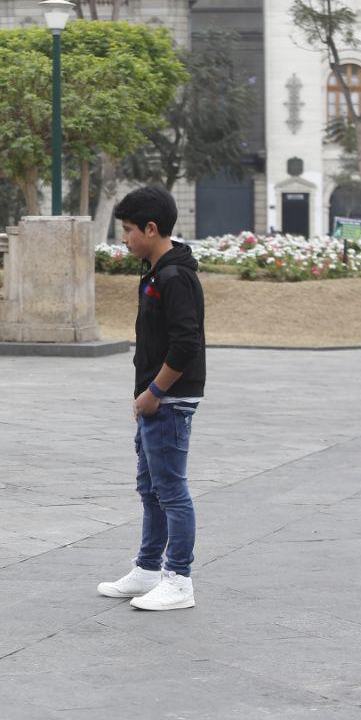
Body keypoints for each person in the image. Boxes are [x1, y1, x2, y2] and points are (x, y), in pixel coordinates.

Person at [97, 185, 206, 612]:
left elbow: (185, 345)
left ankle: (178, 578)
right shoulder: (157, 271)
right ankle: (146, 569)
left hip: (169, 400)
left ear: (151, 228)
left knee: (171, 491)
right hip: (155, 399)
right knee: (150, 488)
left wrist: (155, 392)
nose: (123, 238)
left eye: (127, 230)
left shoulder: (175, 276)